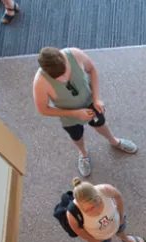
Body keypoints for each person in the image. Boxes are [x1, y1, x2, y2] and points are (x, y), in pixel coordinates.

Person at [33, 47, 137, 177]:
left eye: (64, 72)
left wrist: (96, 98)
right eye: (58, 78)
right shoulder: (40, 83)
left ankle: (114, 141)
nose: (64, 78)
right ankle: (83, 154)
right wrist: (75, 113)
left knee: (100, 124)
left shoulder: (75, 55)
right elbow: (43, 109)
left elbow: (92, 70)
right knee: (76, 136)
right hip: (68, 115)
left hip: (90, 103)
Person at [67, 178, 146, 242]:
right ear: (80, 205)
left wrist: (121, 216)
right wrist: (91, 239)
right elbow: (77, 229)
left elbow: (118, 196)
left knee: (121, 231)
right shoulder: (72, 213)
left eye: (97, 203)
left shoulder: (105, 190)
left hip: (116, 222)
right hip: (99, 236)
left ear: (97, 194)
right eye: (89, 209)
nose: (95, 210)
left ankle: (126, 238)